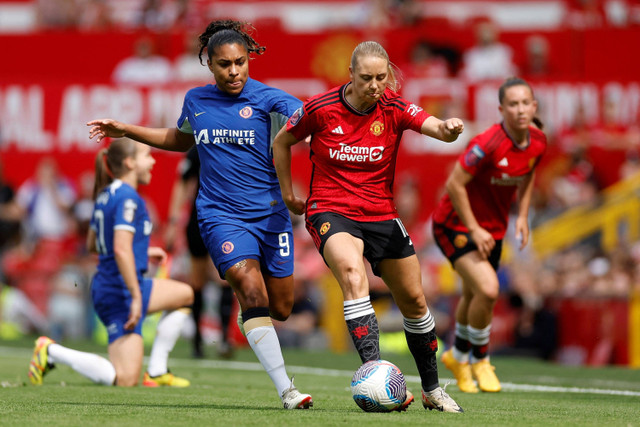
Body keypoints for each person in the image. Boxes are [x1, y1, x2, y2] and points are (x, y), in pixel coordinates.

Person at [86, 19, 313, 410]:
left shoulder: (270, 99)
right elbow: (182, 138)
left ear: (249, 59)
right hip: (219, 214)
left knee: (281, 307)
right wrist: (127, 129)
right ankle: (287, 391)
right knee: (247, 284)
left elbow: (307, 122)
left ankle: (251, 321)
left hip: (271, 217)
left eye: (240, 62)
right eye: (225, 64)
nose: (234, 71)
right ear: (209, 63)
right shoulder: (197, 100)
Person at [272, 40, 464, 413]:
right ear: (350, 74)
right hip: (330, 210)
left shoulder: (393, 107)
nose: (375, 85)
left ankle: (432, 389)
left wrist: (449, 129)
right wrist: (287, 193)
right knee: (351, 273)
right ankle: (375, 375)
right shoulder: (320, 108)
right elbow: (282, 141)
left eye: (381, 77)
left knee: (414, 300)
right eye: (366, 78)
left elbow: (434, 126)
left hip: (380, 214)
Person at [28, 138, 194, 387]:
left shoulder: (106, 195)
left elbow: (95, 244)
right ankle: (50, 351)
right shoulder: (129, 199)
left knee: (184, 294)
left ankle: (158, 371)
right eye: (147, 155)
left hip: (116, 283)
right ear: (129, 163)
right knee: (124, 379)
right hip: (120, 291)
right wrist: (136, 297)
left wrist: (142, 252)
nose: (153, 161)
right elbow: (118, 247)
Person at [431, 77, 547, 393]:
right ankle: (480, 359)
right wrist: (473, 228)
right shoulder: (487, 144)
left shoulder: (537, 141)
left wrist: (522, 215)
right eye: (513, 104)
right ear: (501, 109)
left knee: (474, 294)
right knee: (488, 288)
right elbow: (454, 185)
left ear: (533, 106)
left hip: (493, 230)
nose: (520, 109)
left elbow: (529, 171)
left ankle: (457, 355)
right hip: (455, 225)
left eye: (525, 103)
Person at [165, 146, 235, 358]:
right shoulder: (198, 147)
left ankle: (224, 338)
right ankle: (197, 341)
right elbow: (183, 181)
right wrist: (173, 220)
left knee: (225, 277)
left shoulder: (232, 145)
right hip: (199, 219)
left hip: (227, 219)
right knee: (197, 280)